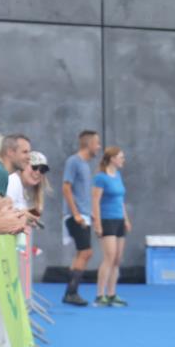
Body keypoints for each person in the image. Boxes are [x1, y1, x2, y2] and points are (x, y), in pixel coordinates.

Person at [61, 130, 100, 306]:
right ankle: (71, 291)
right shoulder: (74, 161)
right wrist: (76, 213)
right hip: (76, 216)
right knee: (86, 252)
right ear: (89, 144)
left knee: (81, 253)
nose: (98, 147)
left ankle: (71, 291)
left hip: (84, 215)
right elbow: (66, 188)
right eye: (97, 143)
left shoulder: (85, 164)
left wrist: (89, 211)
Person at [91, 146, 131, 307]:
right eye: (120, 157)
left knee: (117, 259)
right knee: (109, 257)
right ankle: (100, 295)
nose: (123, 160)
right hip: (106, 221)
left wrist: (126, 219)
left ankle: (112, 293)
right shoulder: (100, 178)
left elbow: (120, 200)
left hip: (119, 221)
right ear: (112, 158)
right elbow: (95, 201)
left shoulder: (118, 175)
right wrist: (98, 223)